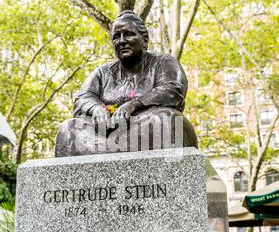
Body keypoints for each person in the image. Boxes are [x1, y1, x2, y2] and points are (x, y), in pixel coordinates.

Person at [55, 10, 197, 157]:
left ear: (144, 40)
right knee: (68, 129)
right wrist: (96, 109)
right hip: (107, 134)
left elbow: (173, 89)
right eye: (116, 37)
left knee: (166, 119)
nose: (122, 40)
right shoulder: (102, 72)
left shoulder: (163, 62)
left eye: (128, 34)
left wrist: (135, 104)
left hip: (148, 126)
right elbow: (83, 98)